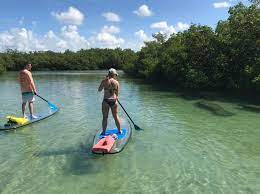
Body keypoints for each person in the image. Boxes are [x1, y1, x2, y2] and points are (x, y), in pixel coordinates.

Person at [98, 68, 121, 135]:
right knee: (116, 116)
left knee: (105, 117)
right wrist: (116, 97)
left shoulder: (104, 81)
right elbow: (117, 94)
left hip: (106, 101)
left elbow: (99, 90)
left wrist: (103, 83)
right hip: (114, 101)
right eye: (115, 75)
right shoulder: (116, 82)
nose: (115, 76)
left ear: (108, 74)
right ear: (114, 75)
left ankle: (103, 132)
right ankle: (119, 131)